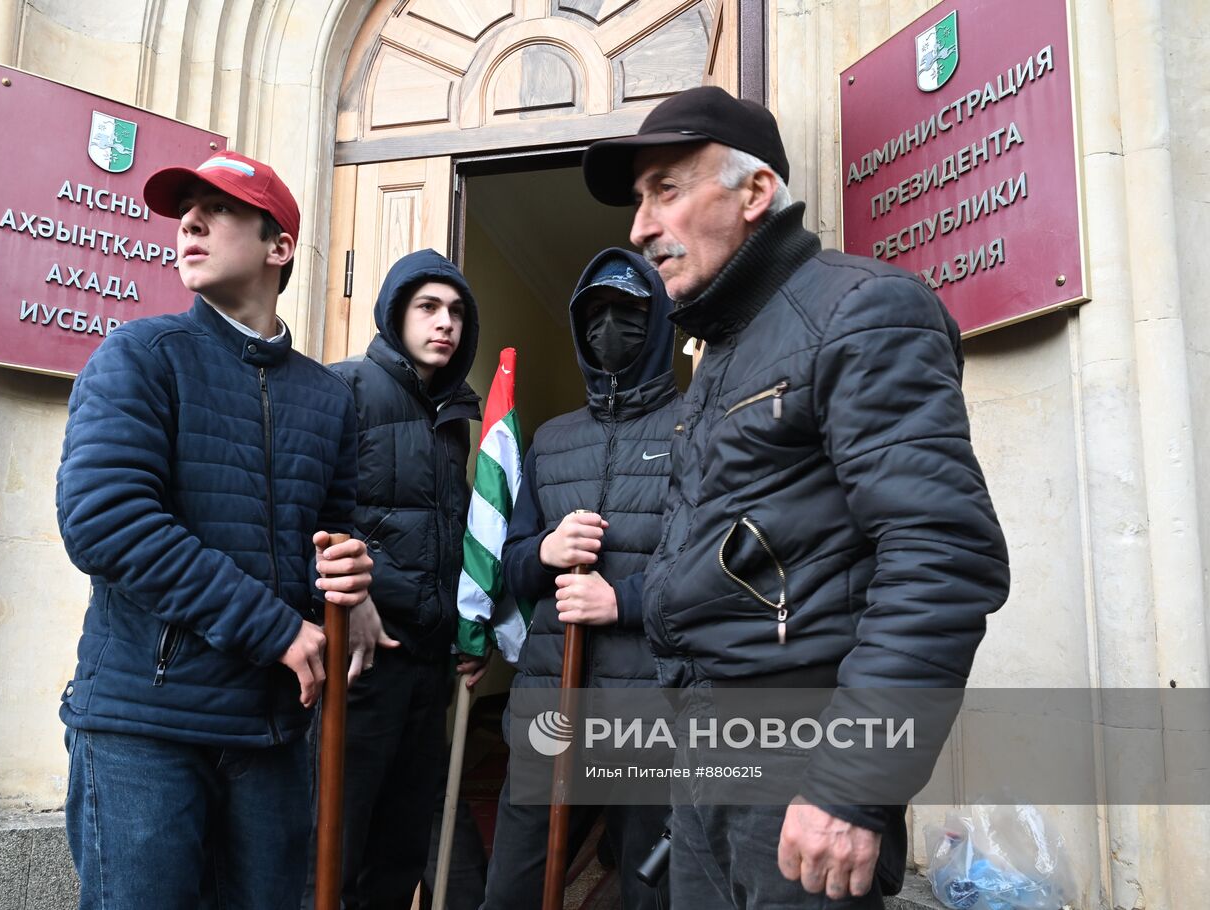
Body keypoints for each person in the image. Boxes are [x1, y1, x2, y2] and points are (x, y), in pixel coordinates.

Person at [581, 86, 1010, 908]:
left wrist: (852, 784)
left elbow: (940, 560)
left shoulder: (862, 311)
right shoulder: (717, 356)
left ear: (754, 192)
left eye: (665, 188)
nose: (639, 227)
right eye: (639, 201)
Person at [55, 150, 373, 910]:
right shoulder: (140, 357)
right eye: (186, 208)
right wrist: (277, 629)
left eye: (220, 208)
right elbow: (105, 522)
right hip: (145, 730)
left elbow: (335, 528)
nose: (190, 222)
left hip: (272, 734)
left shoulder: (329, 398)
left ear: (279, 246)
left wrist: (357, 586)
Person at [483, 248, 679, 910]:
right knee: (513, 889)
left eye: (627, 312)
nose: (609, 328)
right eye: (595, 313)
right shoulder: (553, 440)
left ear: (657, 324)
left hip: (650, 713)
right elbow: (508, 567)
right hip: (550, 705)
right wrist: (545, 550)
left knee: (647, 892)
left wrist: (619, 600)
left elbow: (719, 577)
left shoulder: (697, 432)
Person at [320, 249, 485, 910]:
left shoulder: (454, 424)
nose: (445, 322)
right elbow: (305, 517)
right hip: (360, 666)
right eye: (428, 307)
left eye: (456, 312)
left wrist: (466, 633)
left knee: (399, 855)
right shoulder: (344, 388)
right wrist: (349, 596)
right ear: (395, 312)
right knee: (333, 855)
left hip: (428, 669)